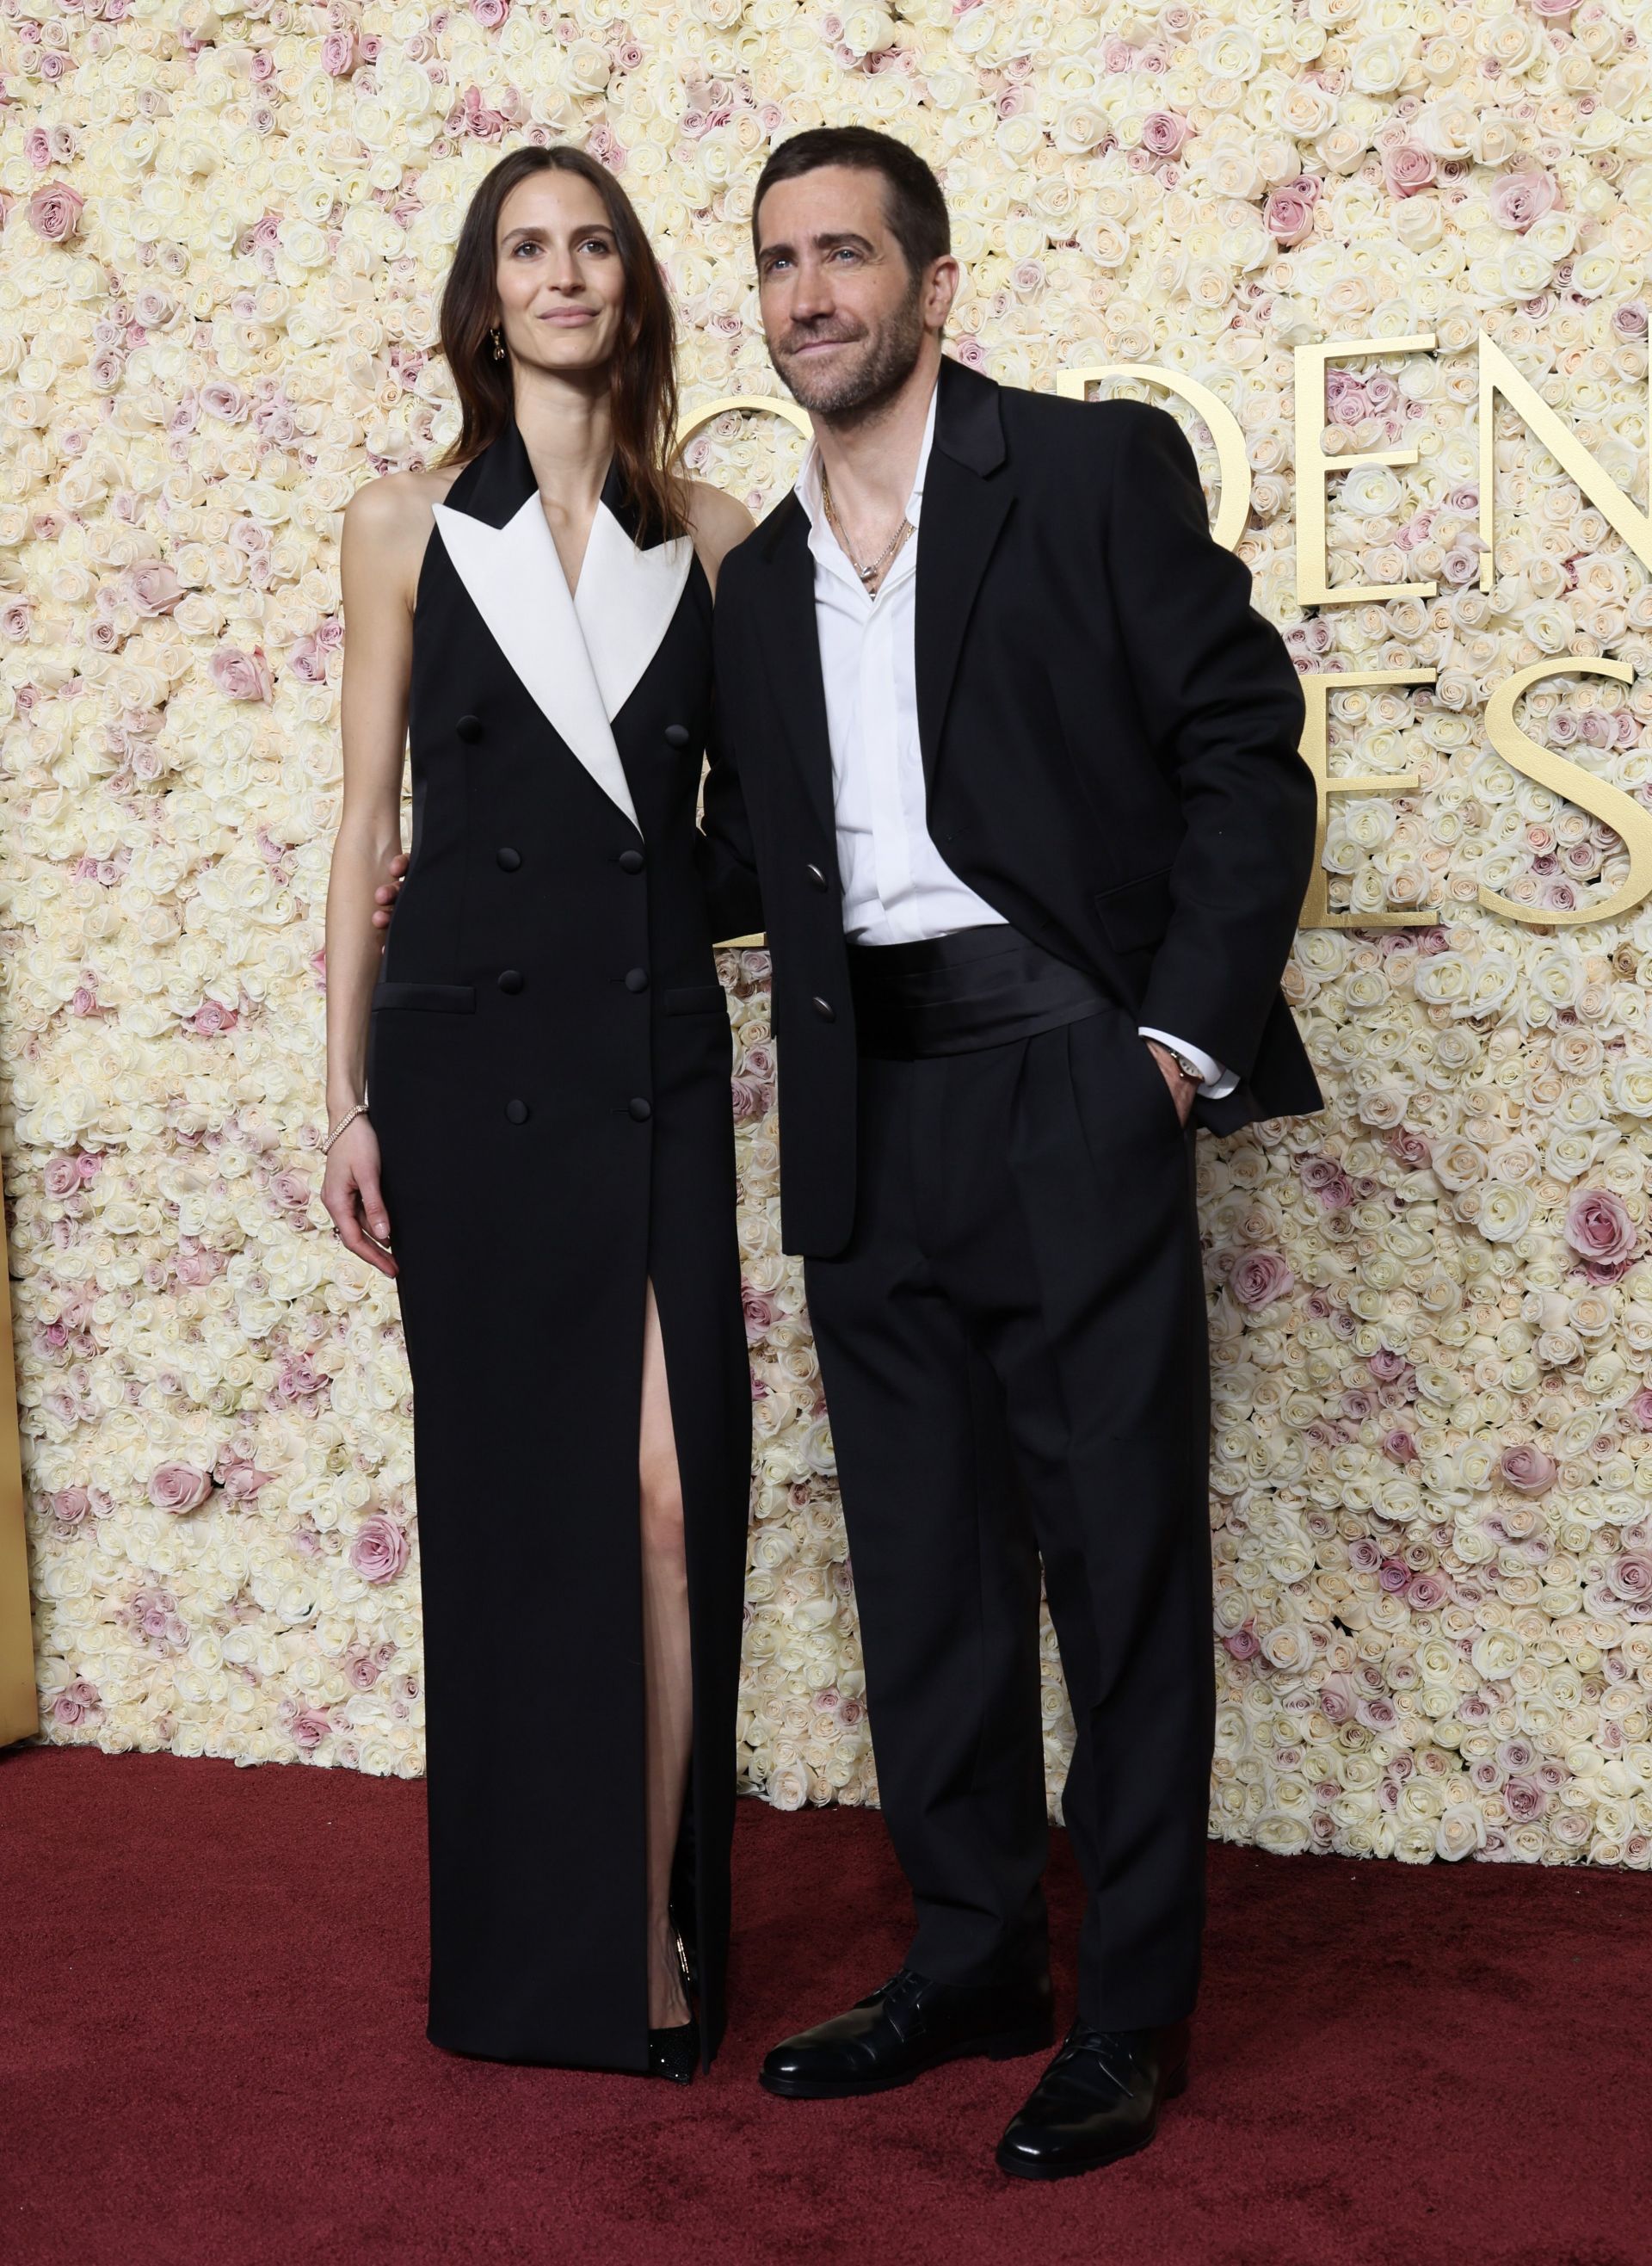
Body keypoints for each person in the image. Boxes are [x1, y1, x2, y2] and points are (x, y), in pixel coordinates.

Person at [698, 127, 1322, 2176]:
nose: (811, 293)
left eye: (848, 254)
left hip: (1067, 1081)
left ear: (934, 284)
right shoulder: (762, 576)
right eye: (782, 260)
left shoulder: (1075, 467)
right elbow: (737, 860)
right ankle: (973, 1956)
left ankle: (1128, 2008)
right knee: (924, 1577)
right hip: (866, 1113)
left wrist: (1171, 1043)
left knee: (1118, 1566)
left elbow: (1246, 742)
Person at [321, 145, 755, 2082]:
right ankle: (542, 1966)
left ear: (634, 290)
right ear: (483, 299)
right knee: (514, 1521)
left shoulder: (721, 534)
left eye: (593, 245)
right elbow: (365, 821)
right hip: (468, 1072)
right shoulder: (403, 522)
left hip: (651, 1053)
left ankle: (651, 1920)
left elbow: (763, 834)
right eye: (527, 248)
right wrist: (339, 1089)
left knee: (669, 1503)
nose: (563, 274)